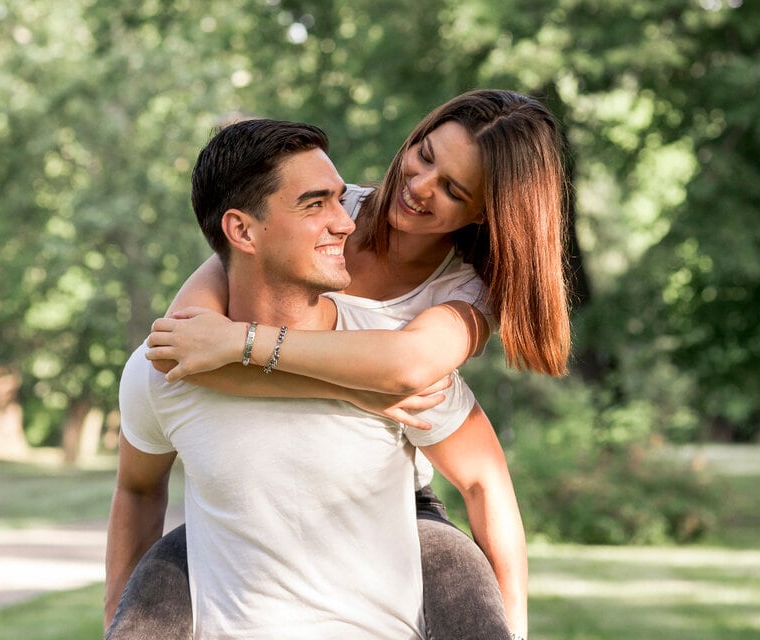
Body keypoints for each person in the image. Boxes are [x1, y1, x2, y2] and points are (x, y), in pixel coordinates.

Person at [136, 89, 569, 639]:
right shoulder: (322, 212)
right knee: (151, 603)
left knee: (461, 589)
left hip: (391, 497)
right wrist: (361, 393)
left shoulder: (466, 290)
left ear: (486, 212)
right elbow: (188, 349)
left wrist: (517, 626)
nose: (418, 187)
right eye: (425, 155)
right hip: (255, 486)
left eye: (453, 190)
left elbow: (411, 365)